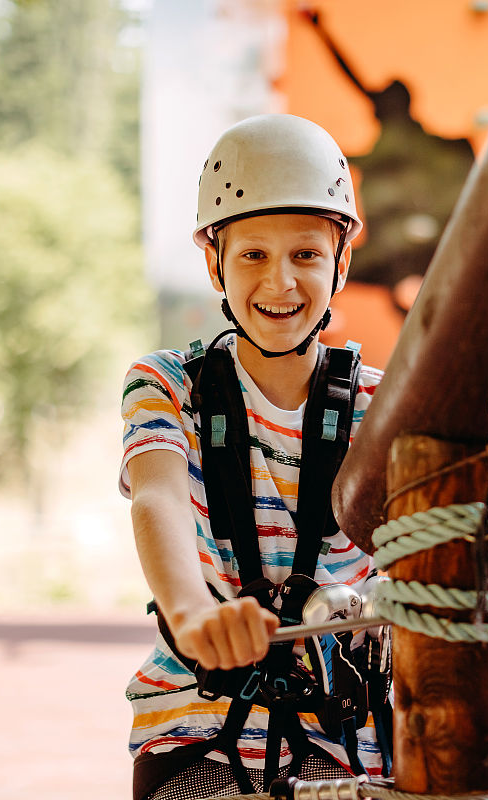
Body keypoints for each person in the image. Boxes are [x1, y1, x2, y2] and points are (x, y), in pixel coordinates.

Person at [119, 114, 391, 800]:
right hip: (196, 739)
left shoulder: (387, 408)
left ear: (341, 263)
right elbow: (157, 495)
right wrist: (192, 614)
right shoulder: (167, 385)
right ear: (215, 262)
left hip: (342, 751)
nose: (281, 282)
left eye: (305, 255)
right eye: (253, 256)